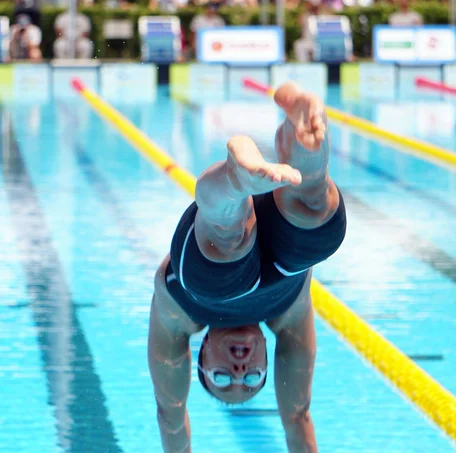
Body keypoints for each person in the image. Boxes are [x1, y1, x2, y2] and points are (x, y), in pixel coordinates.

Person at [148, 81, 347, 453]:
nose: (240, 371)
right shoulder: (289, 321)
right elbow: (297, 416)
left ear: (202, 351)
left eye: (221, 377)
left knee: (225, 244)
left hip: (204, 275)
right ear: (268, 359)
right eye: (254, 378)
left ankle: (236, 178)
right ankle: (303, 134)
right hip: (284, 259)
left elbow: (170, 414)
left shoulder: (179, 321)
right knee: (316, 216)